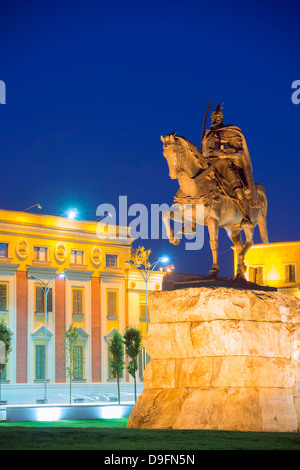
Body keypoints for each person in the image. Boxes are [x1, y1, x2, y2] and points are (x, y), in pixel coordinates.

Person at [202, 104, 258, 227]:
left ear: (221, 117)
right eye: (213, 116)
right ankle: (192, 221)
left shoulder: (230, 131)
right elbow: (204, 154)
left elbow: (240, 152)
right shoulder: (208, 135)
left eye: (217, 116)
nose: (214, 118)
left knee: (237, 188)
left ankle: (247, 217)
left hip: (224, 165)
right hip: (209, 166)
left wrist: (226, 155)